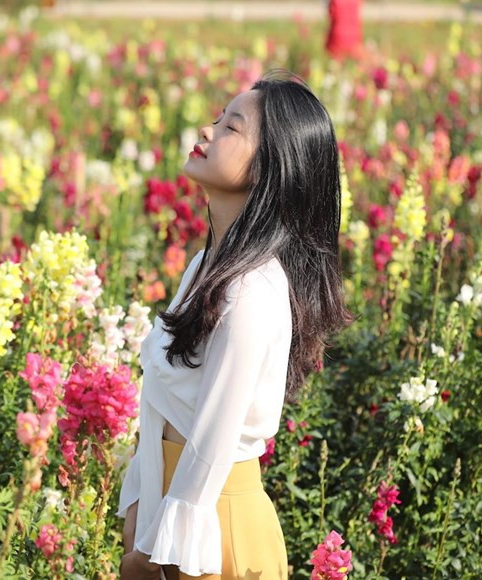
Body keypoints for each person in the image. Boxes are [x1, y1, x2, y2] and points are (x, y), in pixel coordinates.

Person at [116, 70, 355, 579]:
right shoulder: (206, 269)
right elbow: (160, 403)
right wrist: (140, 507)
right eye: (216, 119)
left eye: (231, 127)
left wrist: (155, 551)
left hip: (214, 533)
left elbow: (211, 440)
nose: (206, 132)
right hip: (177, 524)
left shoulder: (252, 291)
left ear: (272, 169)